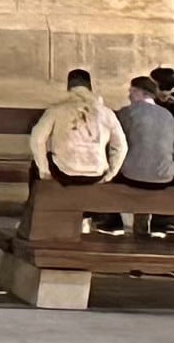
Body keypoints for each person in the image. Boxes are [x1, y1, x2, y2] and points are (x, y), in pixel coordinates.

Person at [33, 66, 127, 232]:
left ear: (69, 87)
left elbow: (37, 139)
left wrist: (44, 170)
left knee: (34, 168)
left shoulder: (56, 110)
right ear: (90, 87)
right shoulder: (106, 113)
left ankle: (37, 217)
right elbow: (120, 146)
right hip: (96, 173)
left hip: (65, 174)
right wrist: (111, 172)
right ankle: (94, 217)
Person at [114, 72, 174, 234]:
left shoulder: (126, 112)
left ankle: (113, 223)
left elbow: (116, 144)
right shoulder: (167, 115)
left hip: (134, 177)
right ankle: (149, 225)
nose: (129, 95)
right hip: (164, 177)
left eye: (132, 91)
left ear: (141, 92)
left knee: (113, 169)